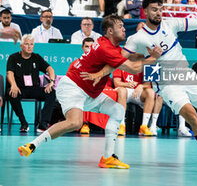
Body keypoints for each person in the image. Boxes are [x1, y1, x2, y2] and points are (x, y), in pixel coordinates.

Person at [93, 0, 197, 171]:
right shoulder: (137, 38)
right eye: (154, 9)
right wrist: (100, 73)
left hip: (186, 75)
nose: (158, 13)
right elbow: (119, 58)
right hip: (167, 84)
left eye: (160, 9)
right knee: (191, 115)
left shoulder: (170, 24)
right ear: (145, 11)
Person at [18, 15, 163, 170]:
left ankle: (108, 157)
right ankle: (33, 144)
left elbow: (128, 55)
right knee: (75, 122)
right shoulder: (106, 48)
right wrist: (153, 57)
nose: (123, 28)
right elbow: (134, 67)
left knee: (117, 109)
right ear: (109, 31)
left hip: (91, 92)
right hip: (73, 87)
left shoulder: (107, 43)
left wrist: (145, 53)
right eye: (120, 26)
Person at [7, 34, 56, 132]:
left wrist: (51, 82)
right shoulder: (13, 57)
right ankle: (23, 123)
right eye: (26, 44)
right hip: (20, 88)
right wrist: (13, 85)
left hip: (34, 88)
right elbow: (9, 73)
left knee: (51, 92)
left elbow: (50, 69)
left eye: (31, 44)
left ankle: (43, 124)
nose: (29, 46)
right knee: (12, 93)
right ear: (21, 46)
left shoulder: (36, 57)